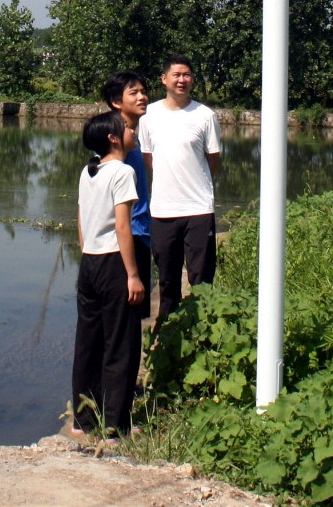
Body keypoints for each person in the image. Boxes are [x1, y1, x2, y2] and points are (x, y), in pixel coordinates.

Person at [70, 110, 146, 439]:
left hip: (89, 262)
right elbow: (123, 226)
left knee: (88, 342)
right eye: (128, 128)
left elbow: (81, 220)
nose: (133, 131)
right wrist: (133, 274)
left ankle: (83, 419)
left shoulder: (89, 172)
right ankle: (116, 423)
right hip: (115, 263)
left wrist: (88, 253)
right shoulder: (123, 172)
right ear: (114, 139)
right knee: (121, 344)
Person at [138, 54, 221, 317]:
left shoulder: (205, 115)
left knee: (201, 279)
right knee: (166, 278)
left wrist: (196, 184)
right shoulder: (148, 114)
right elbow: (148, 158)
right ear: (164, 79)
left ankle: (202, 334)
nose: (182, 80)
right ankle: (168, 335)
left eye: (187, 75)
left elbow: (213, 159)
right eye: (176, 75)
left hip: (198, 209)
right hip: (163, 210)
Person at [101, 70, 152, 319]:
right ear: (116, 102)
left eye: (143, 91)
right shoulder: (115, 144)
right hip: (129, 239)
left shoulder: (132, 139)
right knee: (126, 322)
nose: (142, 97)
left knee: (131, 320)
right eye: (134, 93)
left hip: (140, 235)